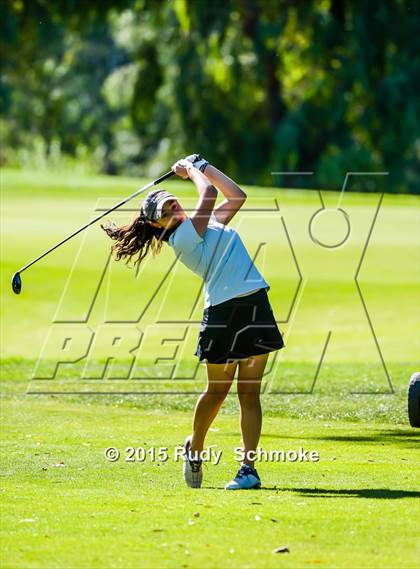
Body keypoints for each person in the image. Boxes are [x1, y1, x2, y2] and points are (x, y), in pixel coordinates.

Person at [101, 154, 285, 490]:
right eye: (166, 212)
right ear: (157, 225)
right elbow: (210, 194)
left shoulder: (209, 224)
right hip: (223, 314)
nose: (174, 209)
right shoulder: (182, 238)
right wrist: (192, 172)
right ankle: (195, 448)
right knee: (217, 392)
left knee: (249, 393)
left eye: (173, 203)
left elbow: (237, 196)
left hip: (255, 303)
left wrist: (204, 165)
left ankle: (248, 470)